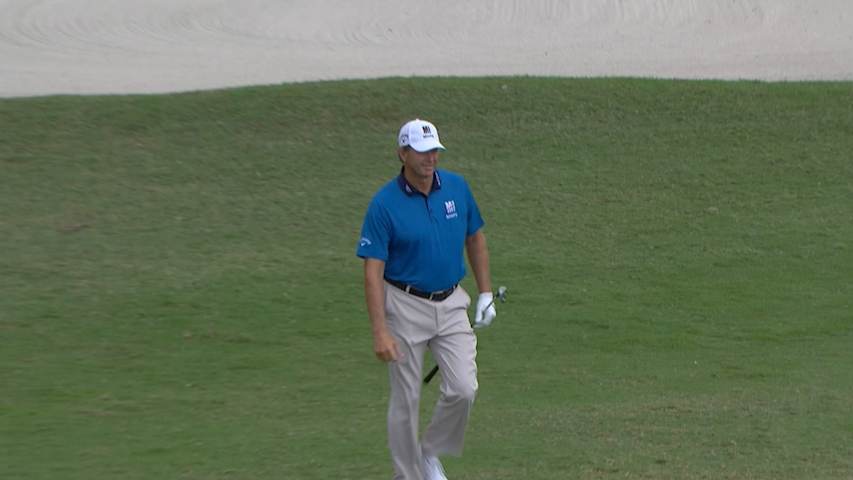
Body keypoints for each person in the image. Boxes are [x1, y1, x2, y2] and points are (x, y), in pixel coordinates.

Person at [356, 118, 497, 480]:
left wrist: (485, 293)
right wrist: (379, 331)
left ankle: (430, 452)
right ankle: (408, 475)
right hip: (403, 306)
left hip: (451, 303)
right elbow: (373, 271)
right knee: (407, 399)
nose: (430, 158)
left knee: (464, 388)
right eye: (421, 152)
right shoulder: (384, 204)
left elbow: (475, 238)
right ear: (402, 154)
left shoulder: (456, 187)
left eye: (434, 150)